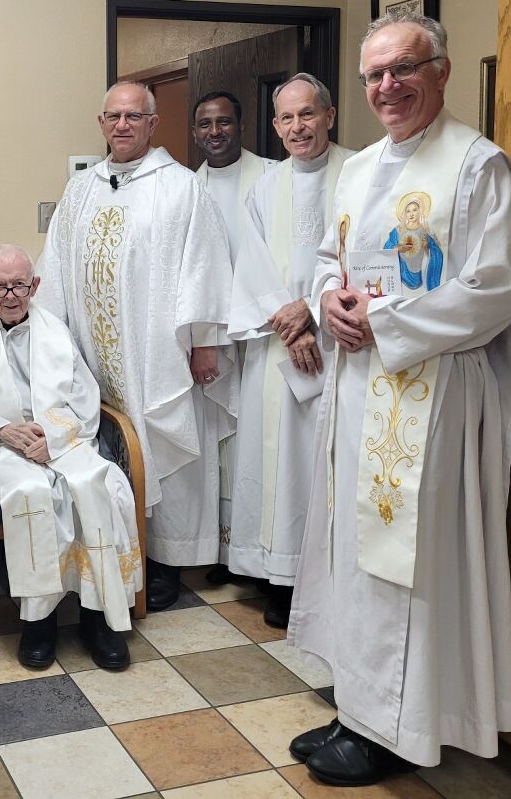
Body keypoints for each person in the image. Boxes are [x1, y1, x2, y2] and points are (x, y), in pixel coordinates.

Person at [288, 15, 511, 786]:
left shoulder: (477, 167)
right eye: (373, 76)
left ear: (443, 69)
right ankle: (359, 707)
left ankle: (396, 728)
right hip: (361, 390)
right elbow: (331, 256)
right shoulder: (358, 171)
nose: (386, 87)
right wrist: (327, 298)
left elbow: (496, 289)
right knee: (357, 557)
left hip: (431, 401)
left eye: (403, 69)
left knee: (406, 565)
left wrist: (383, 319)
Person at [37, 81, 235, 611]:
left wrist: (205, 341)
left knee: (161, 444)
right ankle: (109, 549)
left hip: (155, 352)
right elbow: (53, 267)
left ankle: (165, 558)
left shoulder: (180, 188)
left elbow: (204, 266)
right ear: (101, 123)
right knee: (102, 445)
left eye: (134, 117)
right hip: (91, 350)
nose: (122, 126)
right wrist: (50, 341)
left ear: (153, 124)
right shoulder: (81, 189)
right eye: (113, 117)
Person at [0, 244, 141, 670]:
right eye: (0, 286)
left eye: (19, 284)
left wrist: (53, 438)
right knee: (31, 491)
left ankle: (98, 619)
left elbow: (84, 396)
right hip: (3, 444)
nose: (11, 295)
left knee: (97, 485)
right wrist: (2, 429)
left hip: (60, 438)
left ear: (34, 285)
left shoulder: (56, 331)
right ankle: (39, 623)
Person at [225, 74, 352, 627]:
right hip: (279, 344)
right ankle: (274, 573)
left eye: (308, 115)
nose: (297, 127)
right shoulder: (265, 187)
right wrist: (291, 320)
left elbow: (369, 260)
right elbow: (249, 260)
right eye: (287, 119)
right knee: (271, 458)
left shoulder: (360, 174)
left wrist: (314, 312)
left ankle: (319, 576)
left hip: (340, 343)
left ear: (330, 115)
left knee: (320, 461)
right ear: (275, 127)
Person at [192, 90, 276, 576]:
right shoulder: (187, 184)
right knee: (218, 443)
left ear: (242, 125)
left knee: (256, 441)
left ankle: (254, 548)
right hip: (212, 335)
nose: (215, 132)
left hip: (262, 333)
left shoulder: (269, 176)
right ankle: (222, 548)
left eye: (224, 122)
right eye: (205, 124)